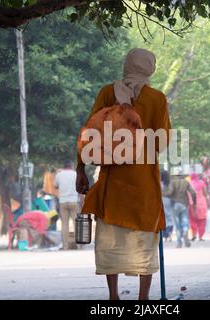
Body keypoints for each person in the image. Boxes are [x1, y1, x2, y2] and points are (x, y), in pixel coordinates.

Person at [76, 48, 171, 300]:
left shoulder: (108, 93)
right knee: (144, 240)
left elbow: (89, 133)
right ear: (150, 68)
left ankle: (114, 296)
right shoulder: (157, 99)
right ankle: (143, 298)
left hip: (113, 183)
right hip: (144, 185)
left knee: (111, 240)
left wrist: (80, 170)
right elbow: (161, 143)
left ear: (126, 65)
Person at [163, 167, 197, 248]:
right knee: (185, 221)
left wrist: (164, 194)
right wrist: (194, 202)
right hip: (184, 204)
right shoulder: (186, 182)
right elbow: (193, 192)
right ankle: (185, 232)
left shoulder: (172, 182)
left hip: (174, 205)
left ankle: (179, 242)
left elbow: (170, 192)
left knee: (177, 224)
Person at [54, 160, 80, 250]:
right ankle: (79, 245)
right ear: (72, 166)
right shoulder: (76, 174)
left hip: (63, 201)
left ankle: (65, 246)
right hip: (73, 201)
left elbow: (56, 186)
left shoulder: (59, 175)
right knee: (76, 223)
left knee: (64, 224)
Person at [189, 173, 208, 241]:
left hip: (192, 203)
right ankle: (201, 236)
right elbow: (205, 193)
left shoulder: (189, 183)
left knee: (193, 220)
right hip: (202, 203)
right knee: (202, 220)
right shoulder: (201, 182)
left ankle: (193, 235)